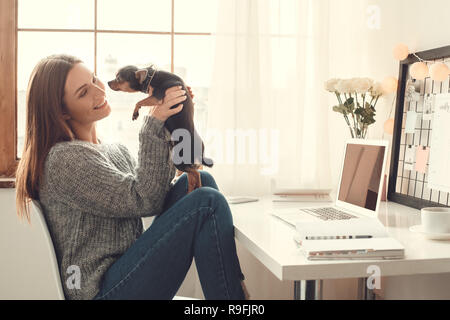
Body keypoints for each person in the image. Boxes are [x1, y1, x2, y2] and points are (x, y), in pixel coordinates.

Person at [15, 54, 248, 300]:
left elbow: (154, 188)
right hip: (101, 290)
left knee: (202, 184)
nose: (98, 91)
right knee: (207, 203)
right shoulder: (65, 159)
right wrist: (154, 123)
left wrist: (172, 117)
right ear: (61, 112)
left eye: (94, 79)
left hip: (126, 269)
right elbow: (145, 200)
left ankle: (232, 297)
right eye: (84, 92)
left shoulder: (112, 149)